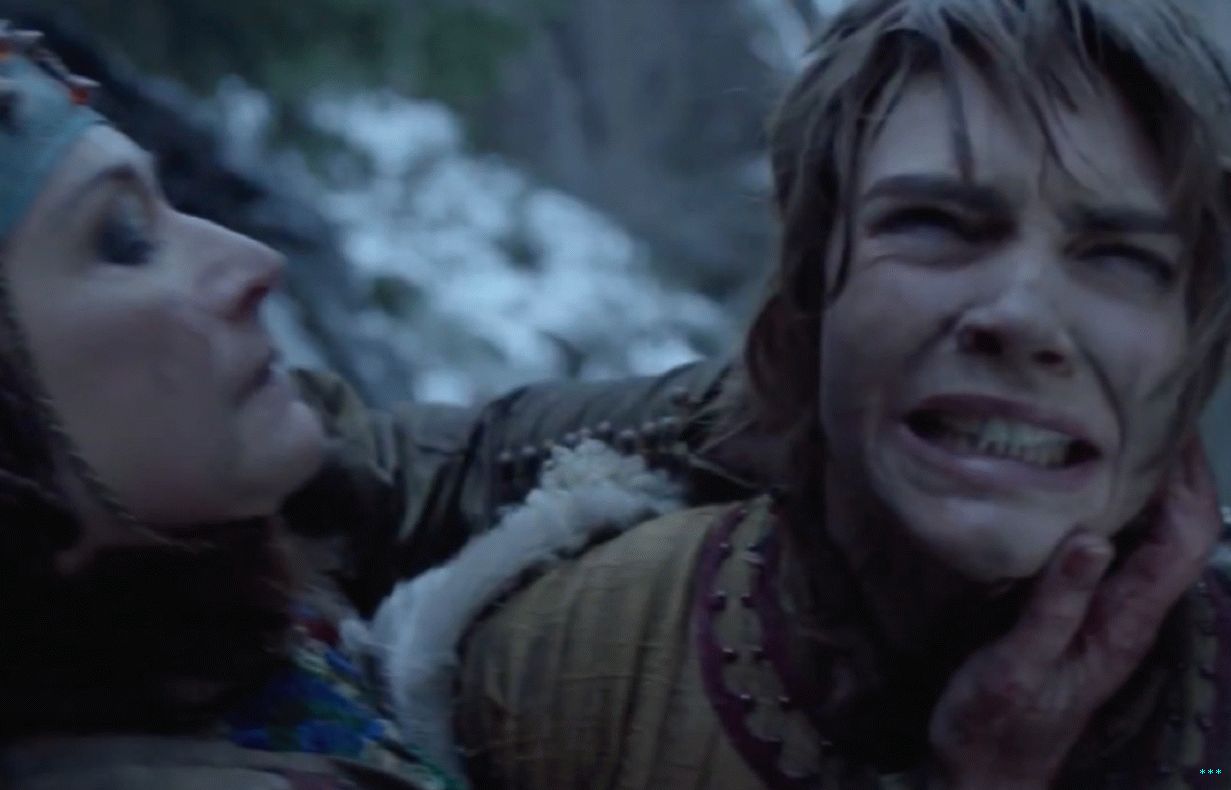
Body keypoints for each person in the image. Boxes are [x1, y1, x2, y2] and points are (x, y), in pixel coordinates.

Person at [362, 0, 1231, 787]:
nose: (1022, 316)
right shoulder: (581, 661)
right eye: (932, 222)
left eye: (1123, 257)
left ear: (1195, 351)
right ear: (806, 300)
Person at [0, 26, 758, 790]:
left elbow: (444, 462)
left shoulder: (223, 533)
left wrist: (764, 401)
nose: (255, 263)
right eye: (125, 238)